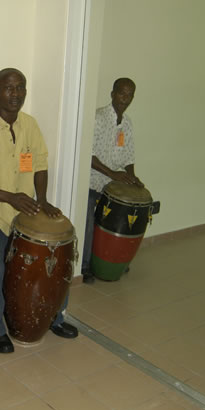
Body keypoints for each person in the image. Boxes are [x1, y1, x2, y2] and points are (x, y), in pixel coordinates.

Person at [0, 68, 78, 355]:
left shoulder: (30, 125)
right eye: (8, 88)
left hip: (27, 214)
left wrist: (43, 199)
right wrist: (10, 197)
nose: (15, 94)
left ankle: (54, 316)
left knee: (56, 251)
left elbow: (39, 163)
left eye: (20, 87)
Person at [81, 77, 143, 283]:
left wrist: (132, 178)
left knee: (117, 224)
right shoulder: (98, 118)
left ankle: (114, 260)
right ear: (112, 93)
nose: (125, 98)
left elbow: (129, 156)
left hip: (112, 184)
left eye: (129, 95)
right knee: (90, 225)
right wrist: (112, 174)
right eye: (122, 93)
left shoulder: (127, 123)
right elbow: (88, 155)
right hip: (93, 182)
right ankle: (85, 266)